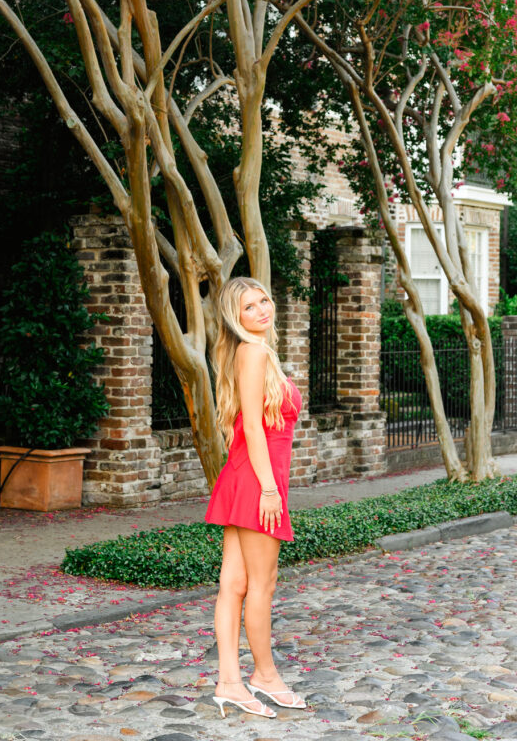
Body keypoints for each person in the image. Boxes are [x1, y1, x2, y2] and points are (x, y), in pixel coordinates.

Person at [205, 276, 307, 720]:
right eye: (250, 306)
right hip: (258, 482)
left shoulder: (248, 352)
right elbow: (250, 426)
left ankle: (229, 681)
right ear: (235, 317)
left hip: (246, 475)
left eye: (264, 300)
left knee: (234, 585)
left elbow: (241, 428)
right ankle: (264, 676)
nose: (262, 309)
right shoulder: (255, 351)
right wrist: (268, 489)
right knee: (261, 587)